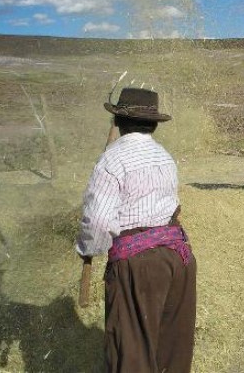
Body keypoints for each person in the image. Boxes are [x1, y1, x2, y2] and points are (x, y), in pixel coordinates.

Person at [76, 88, 196, 373]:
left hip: (138, 267)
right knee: (172, 348)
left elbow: (98, 223)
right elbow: (173, 206)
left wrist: (86, 248)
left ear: (118, 121)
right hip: (179, 258)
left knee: (131, 354)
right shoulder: (164, 156)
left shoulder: (112, 160)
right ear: (153, 124)